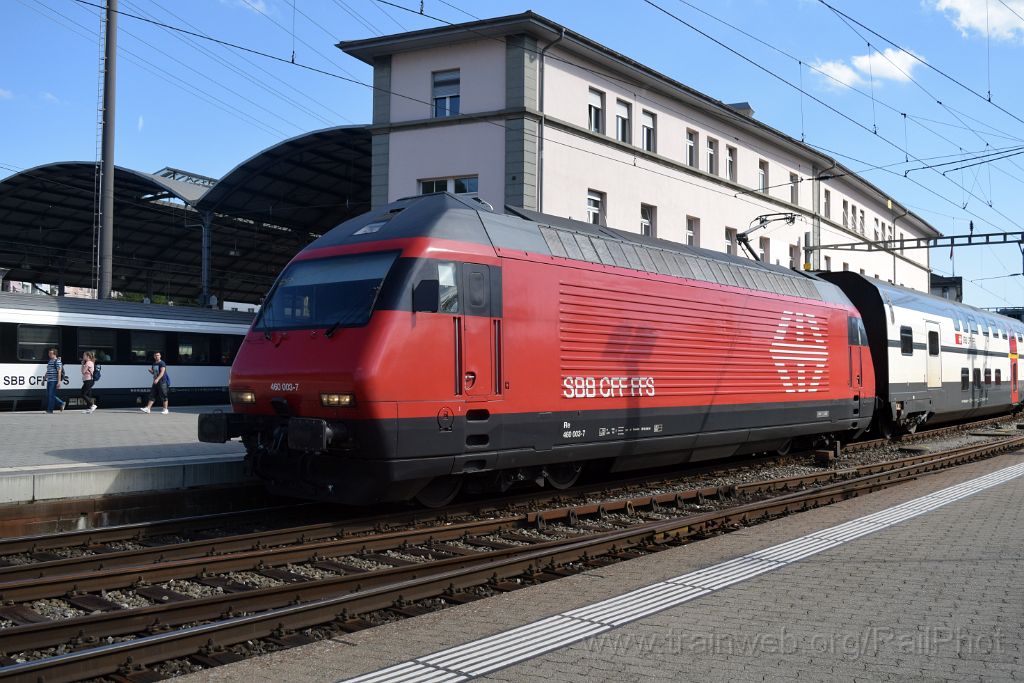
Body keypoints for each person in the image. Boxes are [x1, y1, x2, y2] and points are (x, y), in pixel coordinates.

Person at [44, 348, 65, 414]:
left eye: (51, 353)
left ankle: (50, 410)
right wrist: (44, 379)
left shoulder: (58, 361)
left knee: (51, 395)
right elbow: (48, 371)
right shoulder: (50, 361)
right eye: (49, 353)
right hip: (49, 380)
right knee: (49, 395)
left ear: (55, 354)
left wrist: (59, 382)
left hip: (54, 380)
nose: (49, 354)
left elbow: (59, 372)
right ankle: (61, 403)